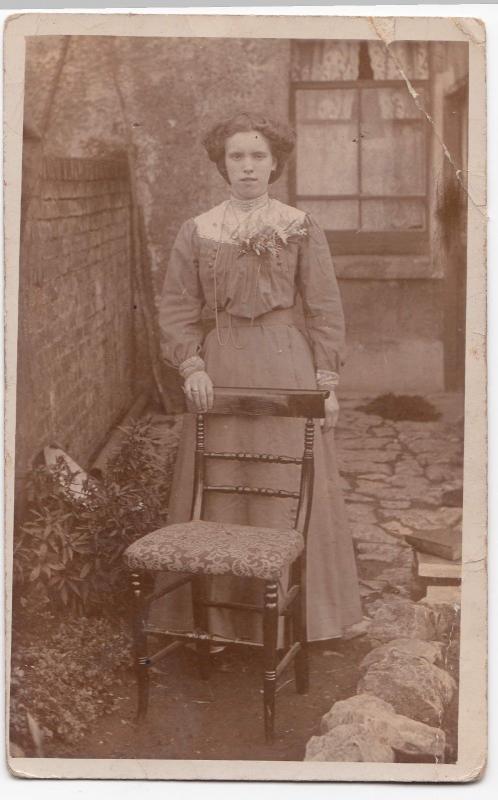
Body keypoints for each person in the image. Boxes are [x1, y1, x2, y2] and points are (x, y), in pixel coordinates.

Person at [151, 111, 362, 644]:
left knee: (289, 482)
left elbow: (324, 306)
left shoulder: (299, 226)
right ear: (223, 164)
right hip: (220, 365)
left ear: (275, 164)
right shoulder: (198, 230)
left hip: (286, 363)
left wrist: (325, 383)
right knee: (219, 485)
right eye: (236, 157)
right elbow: (177, 307)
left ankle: (298, 620)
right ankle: (218, 622)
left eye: (257, 156)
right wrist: (191, 365)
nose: (247, 167)